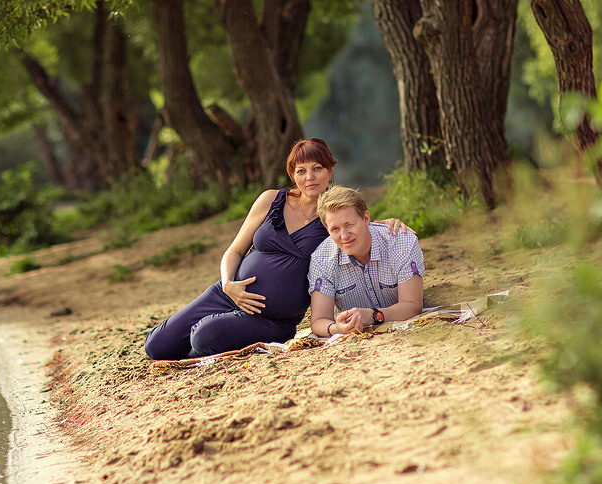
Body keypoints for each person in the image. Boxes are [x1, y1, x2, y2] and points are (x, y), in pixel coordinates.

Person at [144, 139, 408, 361]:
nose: (309, 177)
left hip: (273, 319)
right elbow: (234, 251)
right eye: (301, 170)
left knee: (203, 337)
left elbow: (359, 229)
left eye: (317, 168)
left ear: (330, 170)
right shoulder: (270, 199)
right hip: (228, 294)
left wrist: (390, 222)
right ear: (293, 174)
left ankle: (211, 339)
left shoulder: (333, 215)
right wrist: (227, 284)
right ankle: (214, 330)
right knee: (157, 346)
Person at [308, 185, 425, 338]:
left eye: (349, 225)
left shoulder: (402, 242)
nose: (344, 236)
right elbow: (319, 321)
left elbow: (413, 305)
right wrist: (338, 329)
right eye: (335, 229)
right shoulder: (321, 260)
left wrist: (372, 315)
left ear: (366, 218)